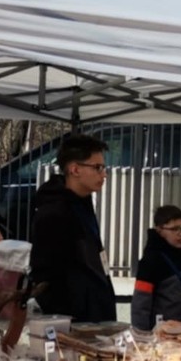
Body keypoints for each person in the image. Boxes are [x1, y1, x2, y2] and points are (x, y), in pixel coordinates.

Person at [29, 132, 117, 323]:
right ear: (75, 169)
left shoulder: (83, 203)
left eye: (103, 167)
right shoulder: (53, 212)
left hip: (97, 315)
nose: (104, 174)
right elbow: (44, 275)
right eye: (97, 167)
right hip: (73, 321)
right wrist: (69, 317)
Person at [131, 205, 181, 331]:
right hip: (160, 333)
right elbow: (140, 304)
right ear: (159, 230)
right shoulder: (151, 260)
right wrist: (141, 336)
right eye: (175, 229)